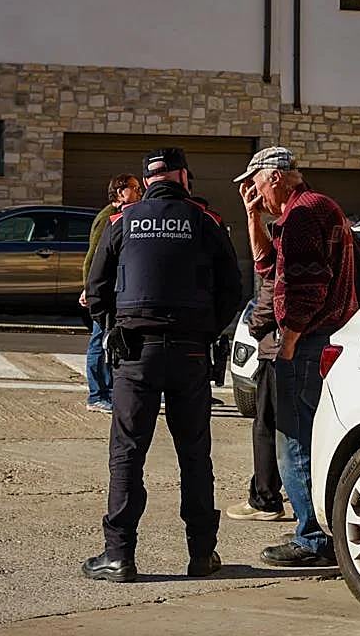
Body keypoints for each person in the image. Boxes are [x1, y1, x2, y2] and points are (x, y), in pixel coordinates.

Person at [82, 147, 242, 583]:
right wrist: (206, 331)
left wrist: (113, 323)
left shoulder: (123, 222)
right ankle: (202, 555)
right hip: (190, 352)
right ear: (184, 177)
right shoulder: (205, 222)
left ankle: (118, 556)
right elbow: (233, 287)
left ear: (148, 180)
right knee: (194, 455)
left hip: (135, 354)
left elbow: (95, 289)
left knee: (128, 453)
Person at [235, 146, 356, 568]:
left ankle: (313, 540)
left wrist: (287, 341)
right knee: (303, 435)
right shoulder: (306, 211)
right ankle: (320, 531)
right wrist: (253, 218)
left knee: (295, 440)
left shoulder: (305, 213)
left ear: (274, 177)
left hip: (305, 343)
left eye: (254, 184)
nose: (252, 192)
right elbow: (269, 268)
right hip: (315, 339)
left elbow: (307, 287)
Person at [224, 264, 286, 522]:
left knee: (270, 426)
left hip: (282, 348)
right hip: (324, 345)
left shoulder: (293, 236)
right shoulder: (349, 243)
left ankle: (266, 499)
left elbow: (274, 290)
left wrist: (256, 325)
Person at [81, 174, 142, 414]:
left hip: (120, 291)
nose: (139, 192)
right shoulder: (109, 217)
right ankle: (97, 394)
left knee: (112, 339)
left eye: (139, 188)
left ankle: (114, 391)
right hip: (106, 292)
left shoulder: (132, 215)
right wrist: (89, 288)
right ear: (119, 192)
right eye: (133, 188)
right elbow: (94, 256)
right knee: (100, 339)